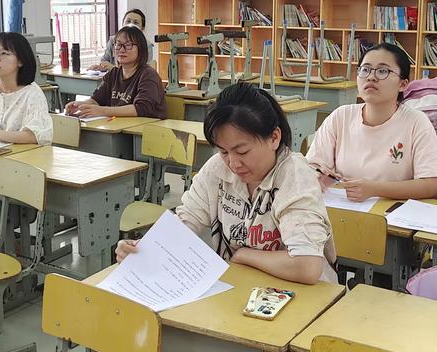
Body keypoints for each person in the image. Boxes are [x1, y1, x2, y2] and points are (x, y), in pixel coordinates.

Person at [116, 83, 337, 284]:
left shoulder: (295, 176)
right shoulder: (217, 169)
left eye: (242, 151)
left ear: (274, 138)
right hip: (244, 287)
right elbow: (185, 223)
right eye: (223, 151)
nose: (233, 163)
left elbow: (306, 266)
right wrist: (146, 249)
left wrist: (244, 255)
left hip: (307, 296)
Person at [307, 42, 437, 201]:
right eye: (365, 69)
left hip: (391, 215)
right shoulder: (341, 116)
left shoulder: (416, 122)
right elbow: (312, 166)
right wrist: (314, 177)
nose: (371, 77)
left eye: (383, 71)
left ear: (403, 84)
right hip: (343, 209)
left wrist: (375, 189)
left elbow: (431, 184)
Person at [65, 25, 166, 119]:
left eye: (128, 45)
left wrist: (102, 111)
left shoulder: (148, 75)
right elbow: (96, 100)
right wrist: (79, 105)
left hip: (144, 131)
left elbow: (141, 109)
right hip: (119, 127)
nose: (121, 50)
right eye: (118, 44)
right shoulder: (114, 74)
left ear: (141, 49)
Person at [89, 8, 154, 71]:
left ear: (142, 28)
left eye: (135, 22)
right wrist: (102, 67)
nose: (131, 24)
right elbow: (104, 61)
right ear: (122, 24)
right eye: (128, 21)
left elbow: (143, 70)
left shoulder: (146, 44)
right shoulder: (113, 41)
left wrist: (114, 69)